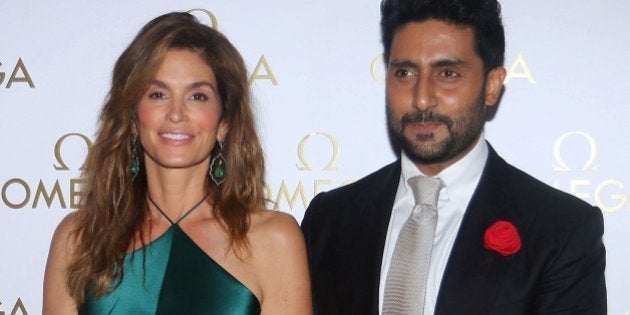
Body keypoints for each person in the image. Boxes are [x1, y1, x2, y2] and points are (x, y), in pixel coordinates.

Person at [301, 0, 607, 314]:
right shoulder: (330, 220)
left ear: (491, 86)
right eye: (405, 72)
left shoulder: (560, 229)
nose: (421, 98)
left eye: (447, 73)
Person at [43, 12, 312, 315]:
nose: (176, 113)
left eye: (198, 96)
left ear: (224, 122)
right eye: (158, 94)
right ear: (132, 118)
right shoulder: (78, 238)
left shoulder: (273, 239)